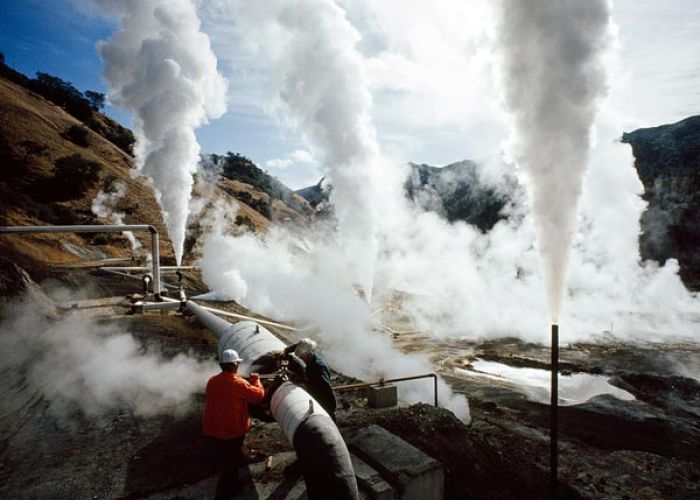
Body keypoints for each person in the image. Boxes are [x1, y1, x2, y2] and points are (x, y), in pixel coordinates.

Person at [204, 349, 265, 500]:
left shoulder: (212, 380)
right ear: (233, 366)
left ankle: (235, 484)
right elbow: (258, 396)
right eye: (237, 364)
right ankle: (224, 494)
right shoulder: (238, 383)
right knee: (229, 465)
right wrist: (256, 380)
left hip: (213, 428)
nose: (238, 367)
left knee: (228, 458)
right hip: (231, 431)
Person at [284, 338, 337, 420]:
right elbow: (299, 345)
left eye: (302, 357)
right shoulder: (309, 351)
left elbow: (327, 389)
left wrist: (302, 385)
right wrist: (286, 351)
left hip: (323, 396)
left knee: (326, 415)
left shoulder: (318, 369)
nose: (300, 359)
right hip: (314, 380)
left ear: (308, 355)